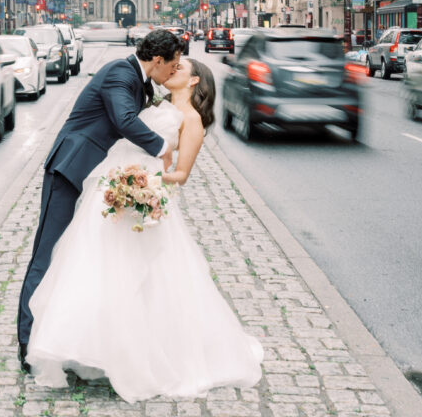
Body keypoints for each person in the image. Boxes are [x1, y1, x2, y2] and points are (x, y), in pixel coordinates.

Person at [26, 56, 263, 401]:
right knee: (96, 265)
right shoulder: (154, 100)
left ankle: (144, 353)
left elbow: (180, 173)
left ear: (194, 81)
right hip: (110, 191)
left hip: (140, 196)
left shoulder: (192, 120)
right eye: (172, 65)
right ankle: (93, 345)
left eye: (180, 69)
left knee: (144, 275)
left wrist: (145, 185)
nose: (172, 70)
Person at [17, 29, 182, 368]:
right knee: (46, 254)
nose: (172, 73)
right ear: (157, 60)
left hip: (97, 177)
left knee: (73, 257)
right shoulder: (120, 72)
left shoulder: (143, 83)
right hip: (69, 169)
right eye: (172, 65)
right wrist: (163, 148)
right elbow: (123, 120)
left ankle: (66, 337)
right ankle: (27, 344)